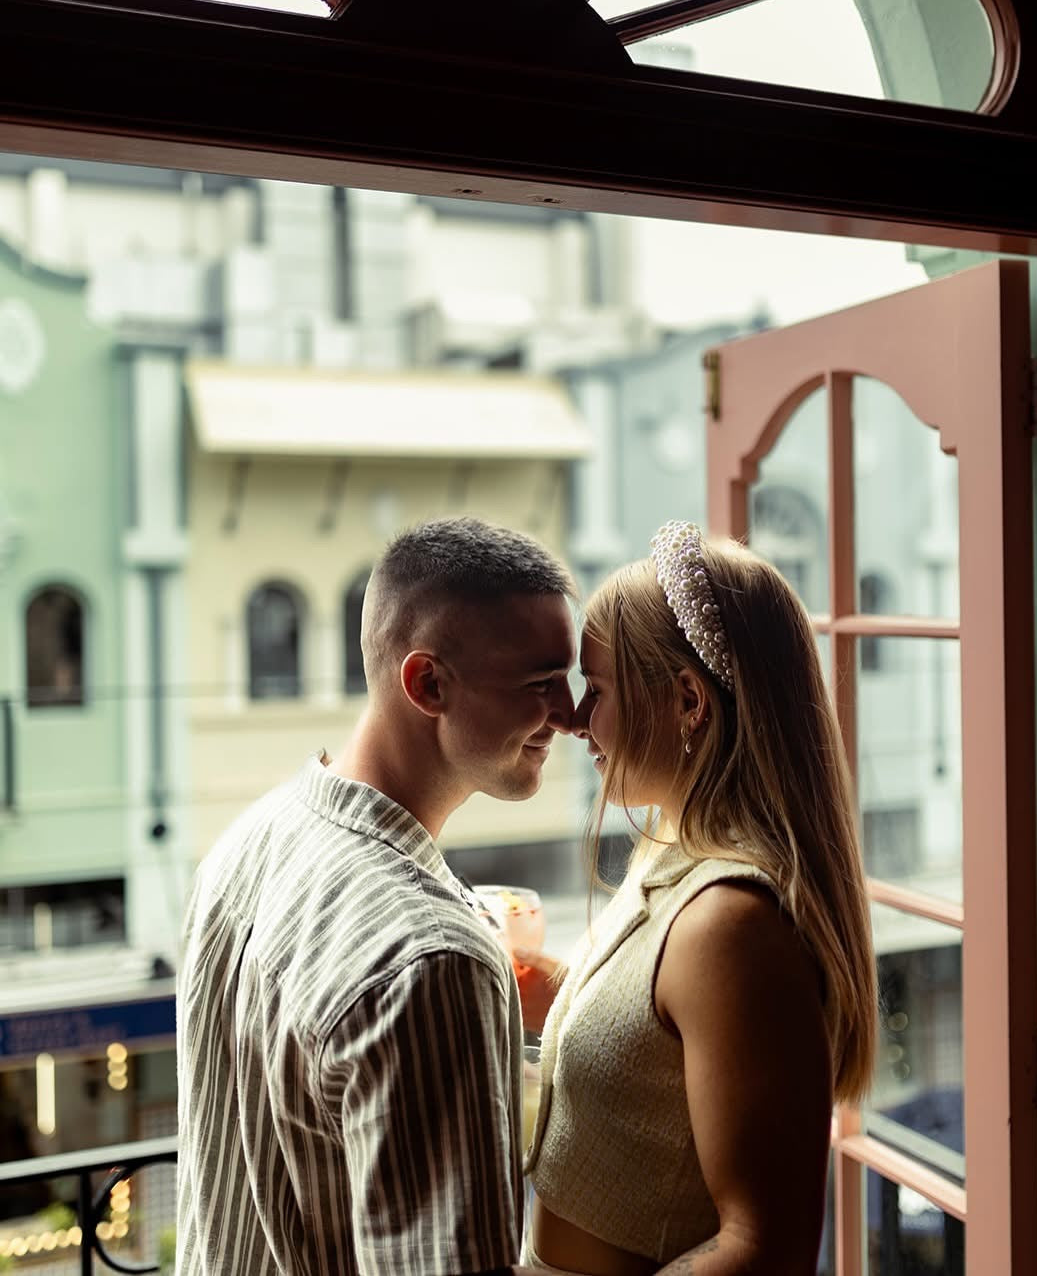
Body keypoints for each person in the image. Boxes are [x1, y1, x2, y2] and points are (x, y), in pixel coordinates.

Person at [176, 517, 577, 1276]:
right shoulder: (432, 959)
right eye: (538, 683)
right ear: (427, 683)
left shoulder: (248, 840)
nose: (569, 713)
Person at [519, 522, 877, 1276]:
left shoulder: (730, 924)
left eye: (600, 689)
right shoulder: (673, 851)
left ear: (686, 700)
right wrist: (528, 981)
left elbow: (761, 1250)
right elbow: (650, 1033)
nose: (577, 721)